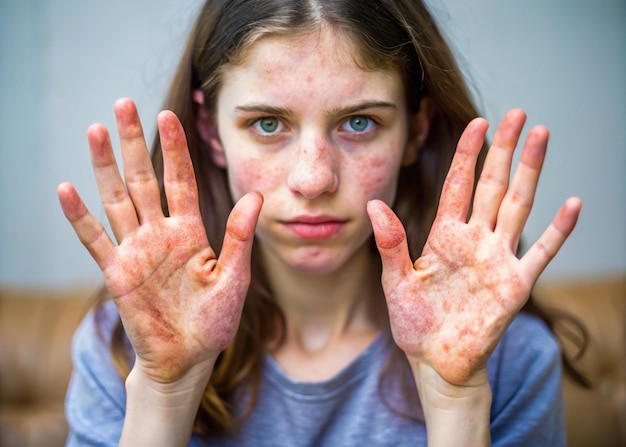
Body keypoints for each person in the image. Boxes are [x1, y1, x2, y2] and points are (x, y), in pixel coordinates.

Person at [56, 0, 582, 446]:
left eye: (360, 122)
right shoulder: (128, 350)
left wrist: (457, 400)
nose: (313, 180)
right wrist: (164, 394)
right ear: (210, 132)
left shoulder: (505, 355)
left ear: (415, 132)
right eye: (267, 124)